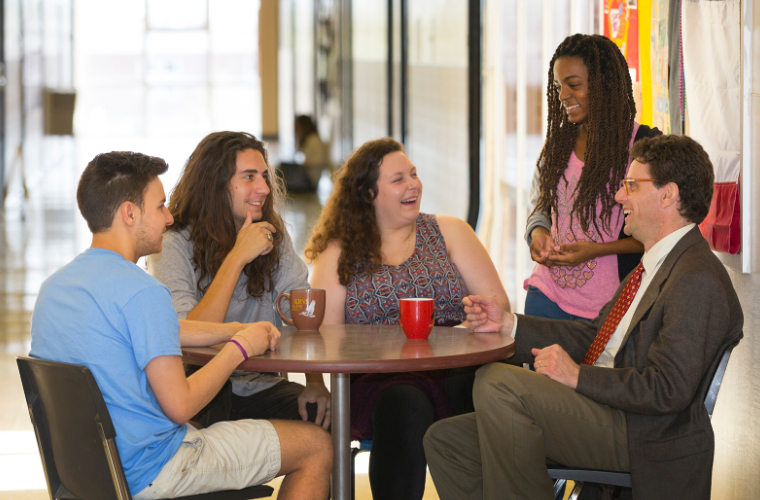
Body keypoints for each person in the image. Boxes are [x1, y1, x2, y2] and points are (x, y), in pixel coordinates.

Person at [423, 134, 743, 500]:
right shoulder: (653, 265)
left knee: (497, 383)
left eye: (632, 186)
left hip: (644, 433)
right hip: (609, 412)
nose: (620, 196)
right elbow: (595, 337)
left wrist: (577, 377)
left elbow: (667, 390)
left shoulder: (696, 278)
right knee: (446, 441)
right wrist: (508, 323)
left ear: (668, 195)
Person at [30, 151, 332, 499]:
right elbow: (180, 405)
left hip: (89, 473)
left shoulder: (54, 288)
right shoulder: (143, 292)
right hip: (157, 468)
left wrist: (232, 330)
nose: (169, 217)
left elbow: (164, 330)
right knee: (316, 445)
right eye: (159, 206)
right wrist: (240, 348)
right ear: (129, 213)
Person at [305, 137, 509, 500]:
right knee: (404, 404)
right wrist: (317, 385)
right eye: (398, 179)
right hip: (380, 374)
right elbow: (322, 337)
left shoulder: (449, 231)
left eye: (413, 174)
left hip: (454, 363)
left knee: (481, 390)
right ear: (369, 193)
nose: (413, 184)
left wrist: (479, 314)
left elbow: (498, 303)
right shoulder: (339, 253)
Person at [147, 131, 331, 430]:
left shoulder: (271, 234)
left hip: (260, 385)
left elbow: (302, 311)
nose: (263, 188)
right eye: (248, 177)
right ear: (215, 185)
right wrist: (236, 257)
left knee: (325, 421)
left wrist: (315, 383)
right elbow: (187, 336)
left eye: (264, 176)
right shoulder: (173, 244)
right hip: (198, 390)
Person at [525, 33, 661, 321]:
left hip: (609, 308)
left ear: (604, 86)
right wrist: (538, 234)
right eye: (558, 86)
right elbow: (541, 208)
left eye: (573, 85)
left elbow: (658, 232)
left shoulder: (643, 145)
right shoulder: (558, 144)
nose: (562, 95)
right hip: (547, 297)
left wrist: (596, 251)